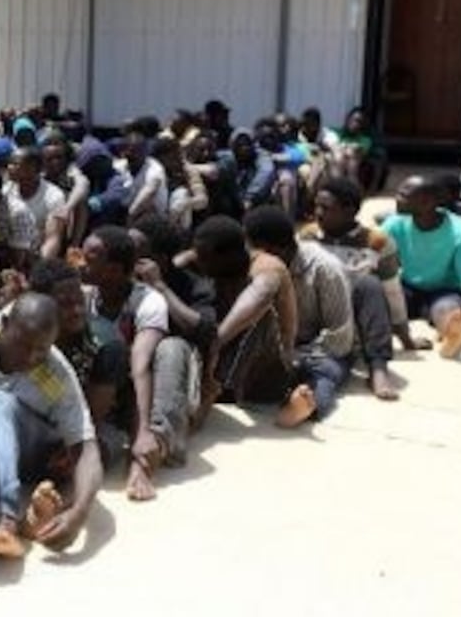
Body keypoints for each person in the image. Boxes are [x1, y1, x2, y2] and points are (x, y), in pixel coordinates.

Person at [0, 294, 103, 558]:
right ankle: (32, 520)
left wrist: (79, 513)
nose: (32, 357)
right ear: (4, 323)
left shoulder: (56, 373)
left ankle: (5, 522)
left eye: (42, 349)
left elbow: (86, 449)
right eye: (23, 344)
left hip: (34, 454)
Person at [75, 226, 195, 501]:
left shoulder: (148, 301)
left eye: (90, 259)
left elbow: (140, 366)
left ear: (114, 270)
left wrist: (142, 432)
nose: (82, 263)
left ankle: (143, 460)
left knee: (173, 349)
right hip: (108, 393)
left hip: (147, 389)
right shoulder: (85, 295)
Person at [300, 178, 430, 399]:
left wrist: (405, 337)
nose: (318, 213)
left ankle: (378, 369)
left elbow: (392, 292)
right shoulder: (308, 236)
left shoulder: (377, 241)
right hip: (318, 315)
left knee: (370, 285)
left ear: (350, 210)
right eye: (317, 206)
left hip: (354, 320)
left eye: (326, 208)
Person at [245, 206, 355, 427]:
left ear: (275, 249)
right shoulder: (254, 266)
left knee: (324, 376)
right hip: (277, 347)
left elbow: (339, 336)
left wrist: (296, 358)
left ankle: (305, 406)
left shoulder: (325, 269)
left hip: (319, 351)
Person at [190, 216, 298, 425]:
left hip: (266, 374)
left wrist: (216, 341)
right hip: (220, 360)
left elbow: (261, 294)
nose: (199, 262)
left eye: (204, 258)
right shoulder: (208, 261)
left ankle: (217, 387)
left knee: (259, 316)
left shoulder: (266, 266)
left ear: (226, 255)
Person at [382, 176, 461, 359]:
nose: (397, 198)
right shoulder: (395, 223)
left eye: (404, 195)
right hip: (409, 286)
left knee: (446, 310)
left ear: (427, 202)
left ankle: (455, 332)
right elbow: (372, 254)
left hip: (446, 290)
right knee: (378, 298)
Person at [130, 214, 218, 426]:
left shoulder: (194, 285)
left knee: (171, 347)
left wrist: (159, 286)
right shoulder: (119, 281)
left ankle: (164, 432)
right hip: (134, 372)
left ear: (158, 260)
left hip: (174, 375)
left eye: (134, 253)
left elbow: (205, 331)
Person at [5, 146, 66, 259]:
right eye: (10, 163)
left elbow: (53, 238)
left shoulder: (54, 196)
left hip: (35, 254)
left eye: (15, 164)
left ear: (32, 168)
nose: (9, 167)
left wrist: (39, 266)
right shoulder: (6, 190)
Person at [123, 129, 168, 223]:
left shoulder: (154, 169)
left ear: (145, 152)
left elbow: (149, 191)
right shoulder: (121, 166)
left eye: (136, 151)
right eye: (129, 150)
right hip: (125, 212)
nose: (131, 154)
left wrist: (129, 216)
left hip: (152, 217)